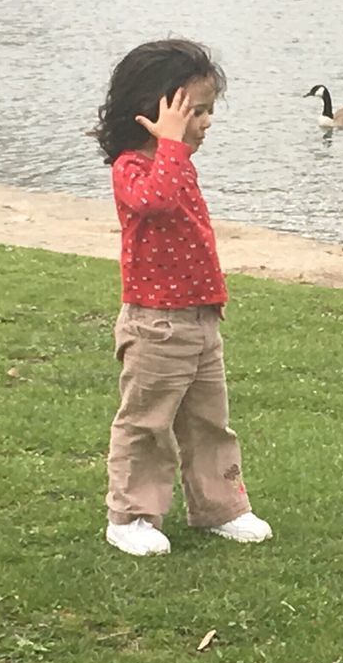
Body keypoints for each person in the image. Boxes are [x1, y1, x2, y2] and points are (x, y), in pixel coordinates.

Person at [93, 39, 272, 556]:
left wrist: (175, 147)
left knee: (209, 421)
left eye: (210, 110)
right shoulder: (132, 168)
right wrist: (171, 145)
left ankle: (220, 507)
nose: (207, 122)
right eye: (197, 110)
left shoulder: (178, 163)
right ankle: (131, 515)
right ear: (156, 109)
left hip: (199, 319)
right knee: (146, 422)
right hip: (156, 325)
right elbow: (156, 201)